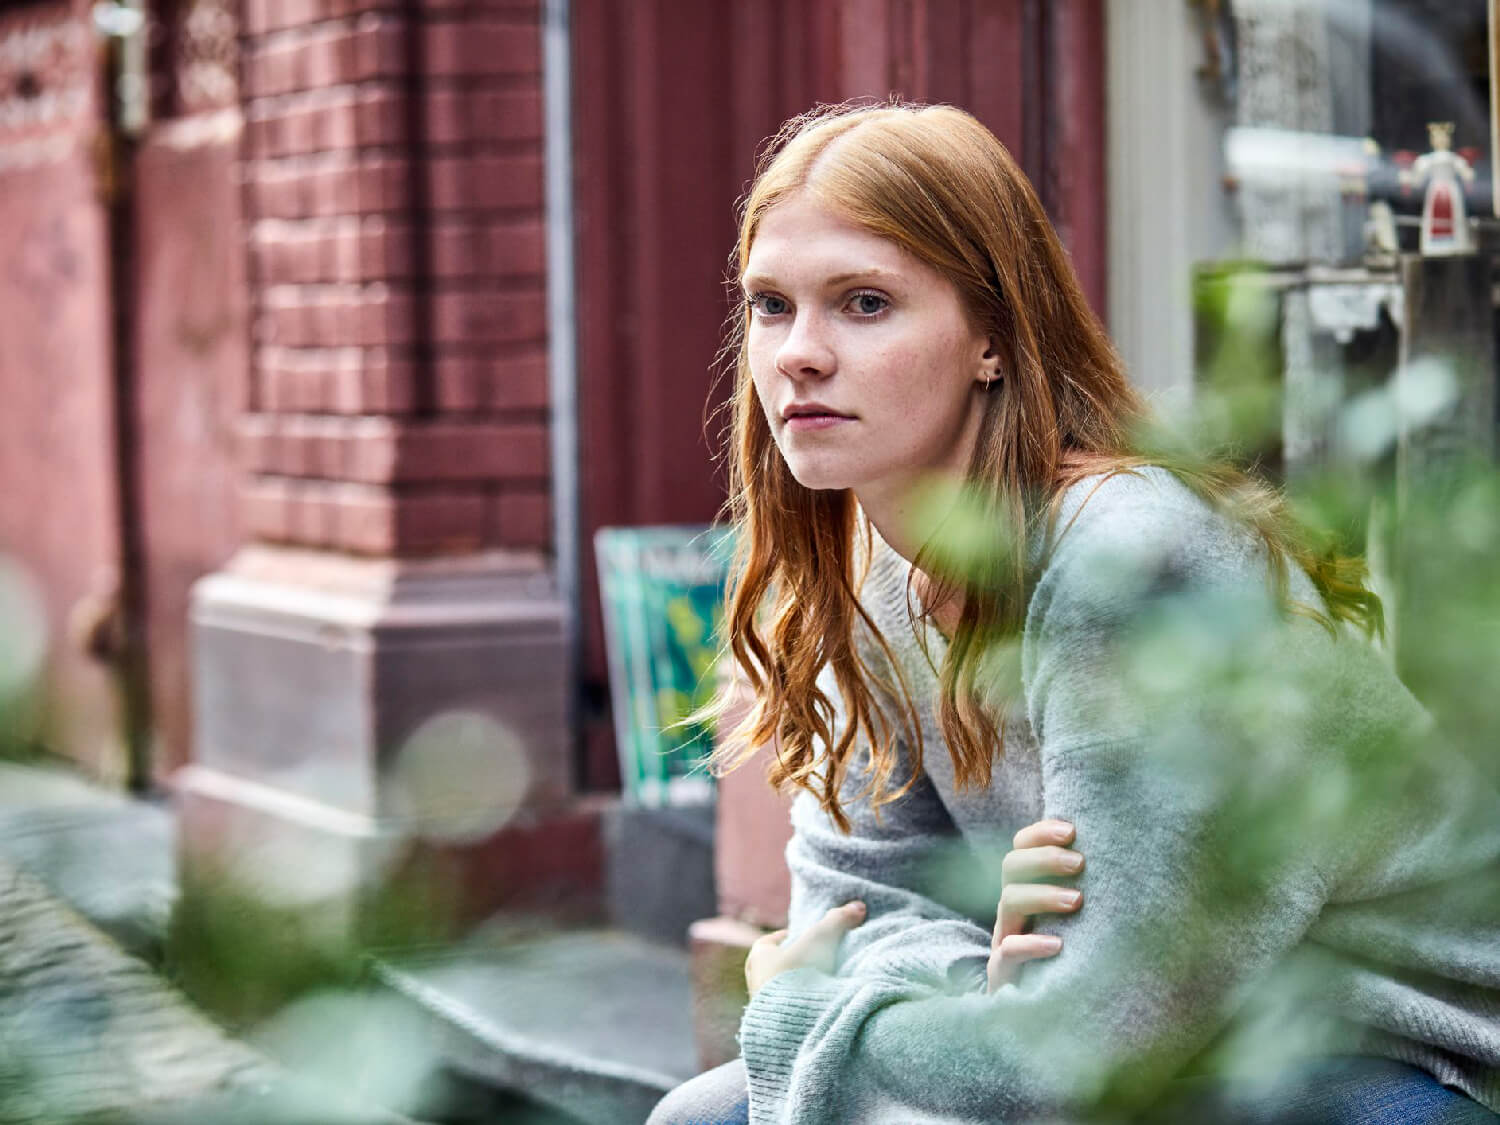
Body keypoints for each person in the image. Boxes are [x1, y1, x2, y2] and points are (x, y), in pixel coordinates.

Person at [648, 101, 1500, 1125]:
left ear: (993, 341)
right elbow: (848, 912)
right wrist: (983, 975)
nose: (799, 353)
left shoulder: (1130, 562)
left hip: (1383, 1057)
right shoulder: (869, 575)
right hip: (1164, 1046)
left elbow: (1088, 1048)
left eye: (865, 304)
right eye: (772, 306)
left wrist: (797, 1009)